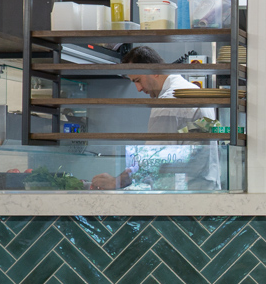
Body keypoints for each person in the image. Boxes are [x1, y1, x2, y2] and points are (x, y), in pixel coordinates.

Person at [90, 46, 221, 189]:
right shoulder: (192, 91)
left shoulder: (168, 103)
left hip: (183, 197)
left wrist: (116, 182)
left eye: (138, 80)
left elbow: (152, 159)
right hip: (205, 191)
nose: (138, 88)